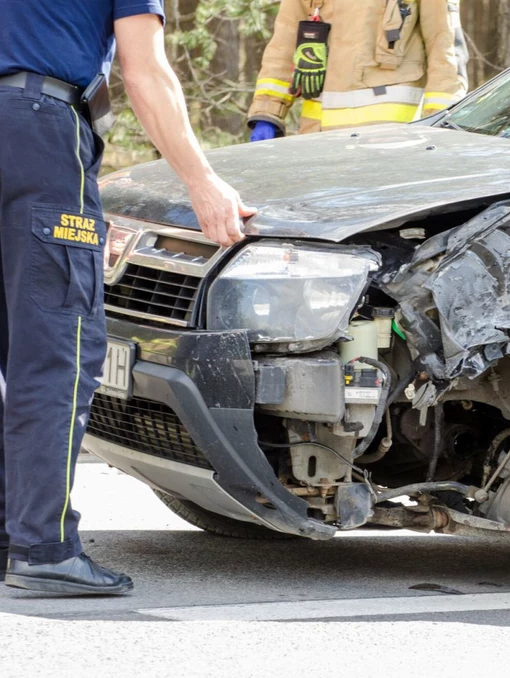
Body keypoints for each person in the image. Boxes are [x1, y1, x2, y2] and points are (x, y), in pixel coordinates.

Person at [0, 1, 254, 595]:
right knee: (57, 344)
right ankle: (42, 546)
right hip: (36, 134)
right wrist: (202, 181)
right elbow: (145, 73)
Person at [247, 0, 469, 141]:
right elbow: (284, 42)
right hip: (318, 142)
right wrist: (267, 113)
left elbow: (444, 48)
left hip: (393, 142)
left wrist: (441, 125)